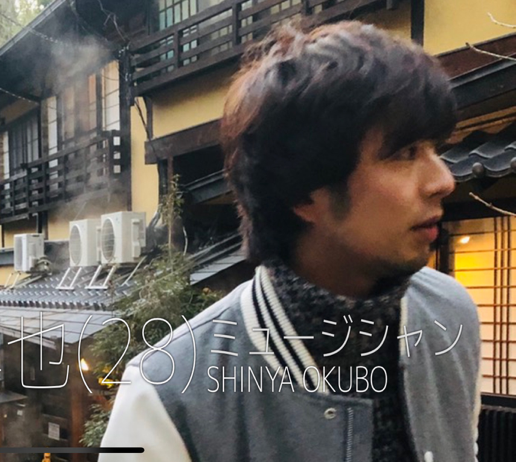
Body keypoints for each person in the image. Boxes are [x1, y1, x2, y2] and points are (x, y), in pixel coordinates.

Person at [99, 20, 479, 462]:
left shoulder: (450, 314)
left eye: (434, 148)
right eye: (404, 153)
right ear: (303, 193)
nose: (443, 180)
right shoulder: (167, 396)